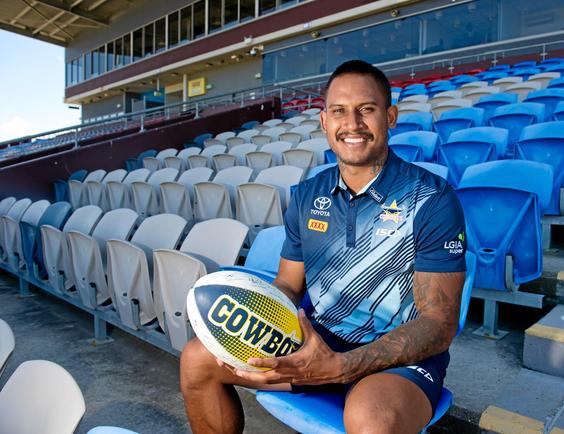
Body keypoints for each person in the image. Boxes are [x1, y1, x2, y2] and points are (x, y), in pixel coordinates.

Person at [180, 60, 466, 434]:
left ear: (390, 116)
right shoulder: (308, 195)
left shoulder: (432, 198)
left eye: (367, 109)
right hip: (317, 338)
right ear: (324, 122)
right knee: (197, 360)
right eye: (339, 111)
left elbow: (438, 325)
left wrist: (343, 366)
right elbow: (287, 285)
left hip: (398, 355)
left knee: (371, 420)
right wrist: (247, 333)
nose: (353, 124)